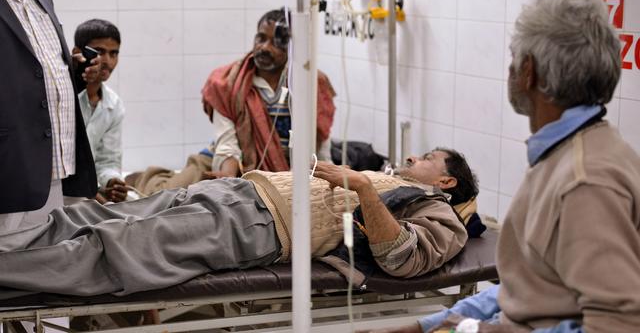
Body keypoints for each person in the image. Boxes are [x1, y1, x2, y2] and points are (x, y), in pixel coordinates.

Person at [361, 0, 640, 333]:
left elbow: (616, 325)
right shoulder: (565, 153)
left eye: (513, 57)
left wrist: (478, 331)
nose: (509, 68)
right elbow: (528, 288)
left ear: (529, 71)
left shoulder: (586, 181)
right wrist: (426, 326)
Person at [0, 148, 477, 298]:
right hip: (238, 192)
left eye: (429, 157)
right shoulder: (391, 177)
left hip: (259, 229)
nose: (414, 156)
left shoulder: (439, 214)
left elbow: (403, 260)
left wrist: (365, 189)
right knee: (96, 214)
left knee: (117, 245)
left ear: (448, 182)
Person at [0, 0, 97, 228]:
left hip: (54, 166)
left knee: (46, 259)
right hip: (11, 166)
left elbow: (38, 68)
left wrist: (75, 74)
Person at [200, 7, 336, 177]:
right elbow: (227, 145)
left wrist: (328, 174)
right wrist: (227, 177)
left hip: (293, 176)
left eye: (275, 42)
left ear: (293, 47)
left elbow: (320, 144)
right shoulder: (227, 83)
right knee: (174, 190)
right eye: (261, 38)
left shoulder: (312, 83)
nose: (264, 47)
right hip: (237, 168)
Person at [71, 19, 127, 204]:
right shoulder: (64, 98)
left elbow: (108, 161)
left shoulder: (114, 104)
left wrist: (112, 182)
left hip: (88, 194)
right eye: (100, 52)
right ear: (78, 53)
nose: (107, 61)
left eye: (114, 53)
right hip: (56, 195)